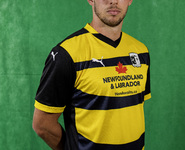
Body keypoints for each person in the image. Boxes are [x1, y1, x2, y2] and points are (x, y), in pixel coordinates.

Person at [32, 0, 151, 150]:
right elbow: (42, 125)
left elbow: (130, 111)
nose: (113, 1)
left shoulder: (141, 52)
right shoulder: (66, 54)